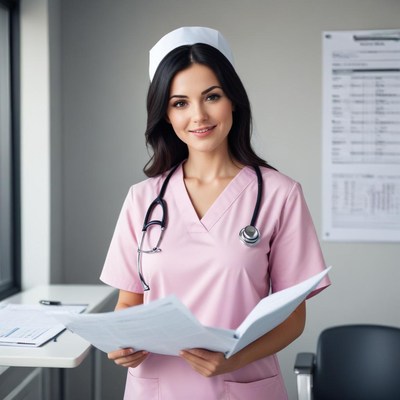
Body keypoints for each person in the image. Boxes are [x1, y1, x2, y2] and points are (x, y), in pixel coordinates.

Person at [100, 26, 330, 400]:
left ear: (233, 101)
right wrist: (124, 344)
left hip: (243, 386)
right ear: (166, 115)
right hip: (157, 388)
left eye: (212, 96)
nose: (199, 115)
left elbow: (293, 318)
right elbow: (129, 302)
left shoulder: (279, 194)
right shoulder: (142, 199)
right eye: (180, 103)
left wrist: (233, 359)